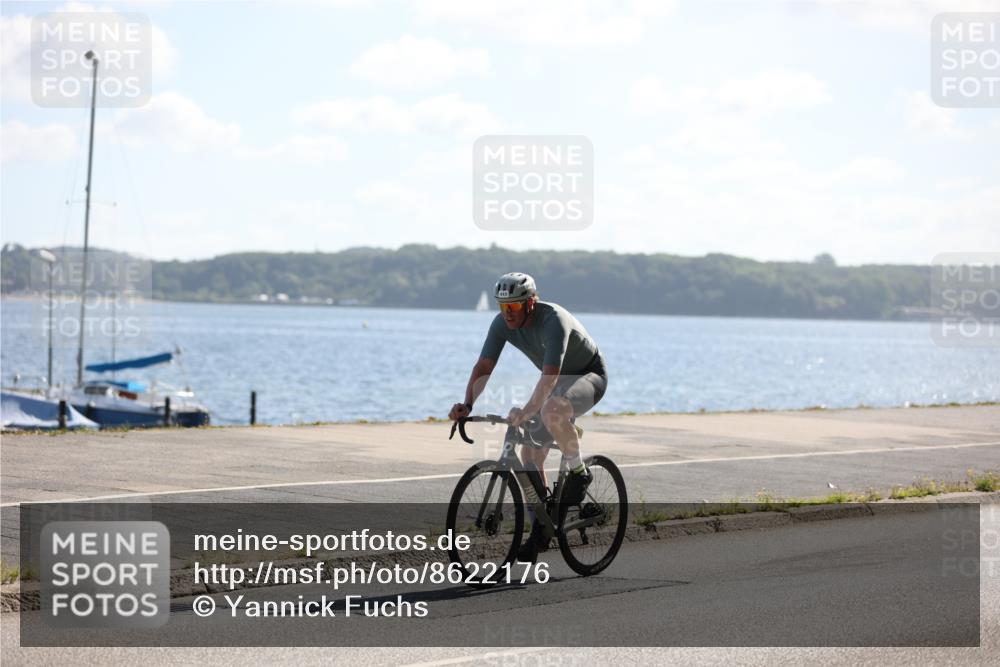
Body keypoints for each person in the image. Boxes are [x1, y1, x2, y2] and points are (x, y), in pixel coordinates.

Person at [449, 272, 608, 560]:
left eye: (514, 307)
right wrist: (468, 404)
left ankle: (579, 473)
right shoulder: (501, 324)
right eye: (503, 306)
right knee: (529, 456)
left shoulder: (553, 320)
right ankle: (541, 529)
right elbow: (484, 366)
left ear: (530, 303)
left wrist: (526, 410)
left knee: (551, 409)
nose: (508, 313)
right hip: (556, 382)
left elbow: (549, 379)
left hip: (588, 375)